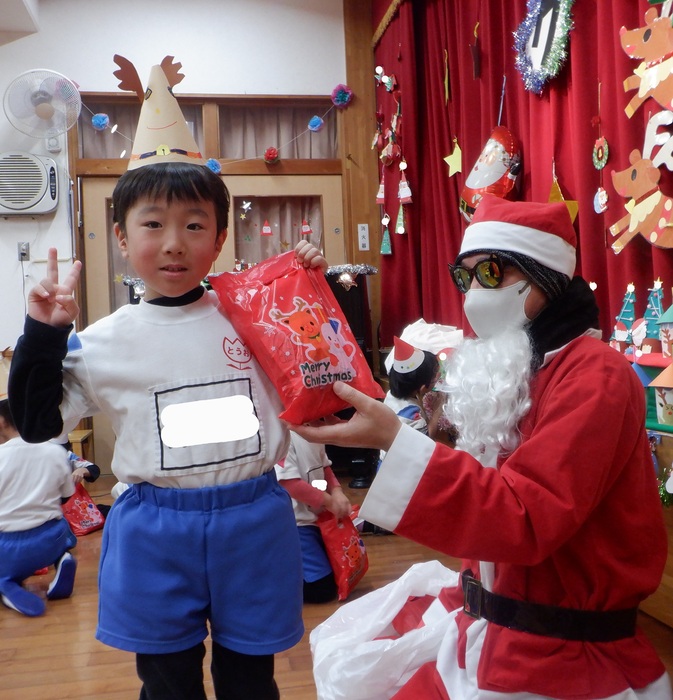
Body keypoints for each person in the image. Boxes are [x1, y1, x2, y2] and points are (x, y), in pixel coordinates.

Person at [8, 59, 328, 700]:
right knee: (167, 683)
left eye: (194, 224)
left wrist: (312, 294)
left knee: (251, 681)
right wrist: (42, 333)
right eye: (153, 224)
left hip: (254, 522)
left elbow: (324, 387)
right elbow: (38, 424)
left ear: (219, 237)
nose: (174, 242)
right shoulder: (101, 343)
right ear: (122, 237)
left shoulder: (256, 317)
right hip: (155, 530)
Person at [293, 194, 673, 699]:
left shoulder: (594, 374)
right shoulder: (518, 369)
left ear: (543, 278)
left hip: (559, 657)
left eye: (491, 272)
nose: (473, 293)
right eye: (464, 276)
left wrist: (393, 439)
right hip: (486, 625)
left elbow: (524, 515)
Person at [0, 399, 77, 617]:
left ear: (2, 422)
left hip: (10, 548)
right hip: (53, 540)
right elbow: (67, 495)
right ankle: (61, 559)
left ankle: (7, 585)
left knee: (3, 574)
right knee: (60, 522)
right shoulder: (55, 451)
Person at [274, 432, 352, 603]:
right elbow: (290, 484)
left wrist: (337, 491)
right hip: (295, 523)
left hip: (316, 518)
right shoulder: (283, 437)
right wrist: (329, 501)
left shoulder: (313, 430)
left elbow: (324, 467)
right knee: (322, 590)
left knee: (340, 573)